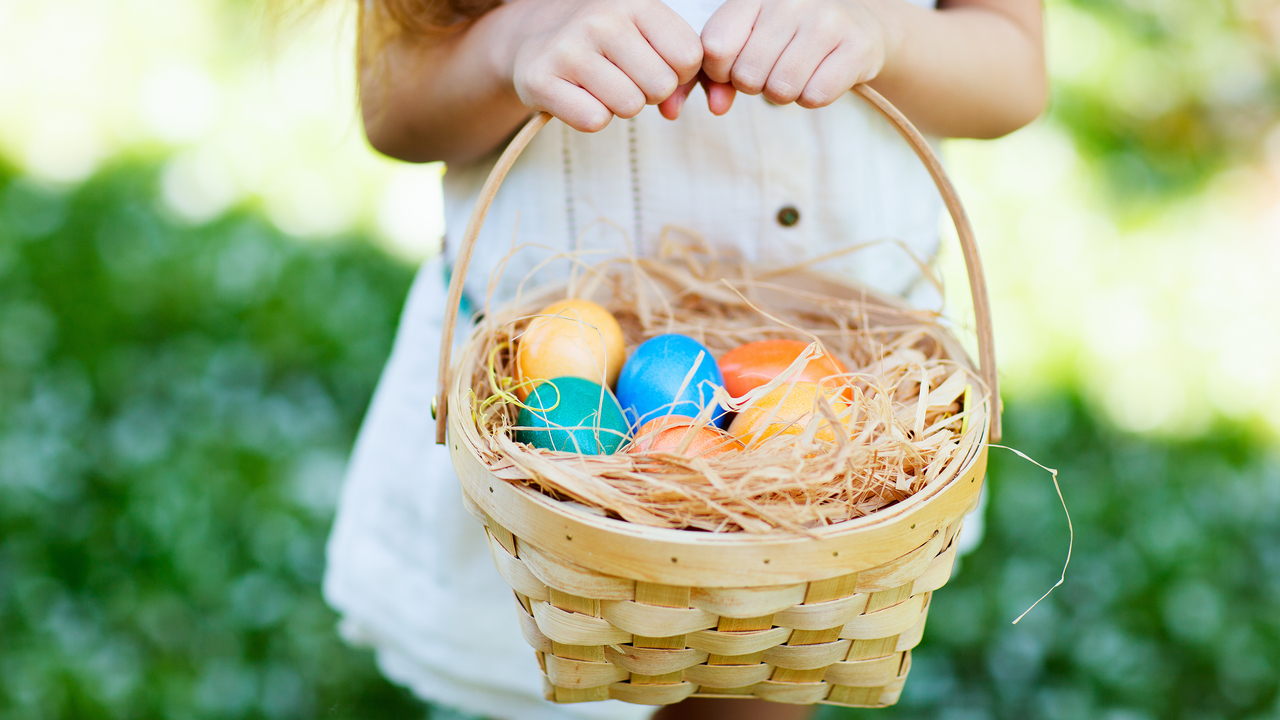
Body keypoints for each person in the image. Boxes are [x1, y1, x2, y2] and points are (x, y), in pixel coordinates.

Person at [322, 0, 1044, 718]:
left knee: (755, 683)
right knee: (553, 674)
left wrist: (884, 33)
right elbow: (394, 103)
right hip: (531, 454)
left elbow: (1014, 68)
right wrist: (513, 46)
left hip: (833, 440)